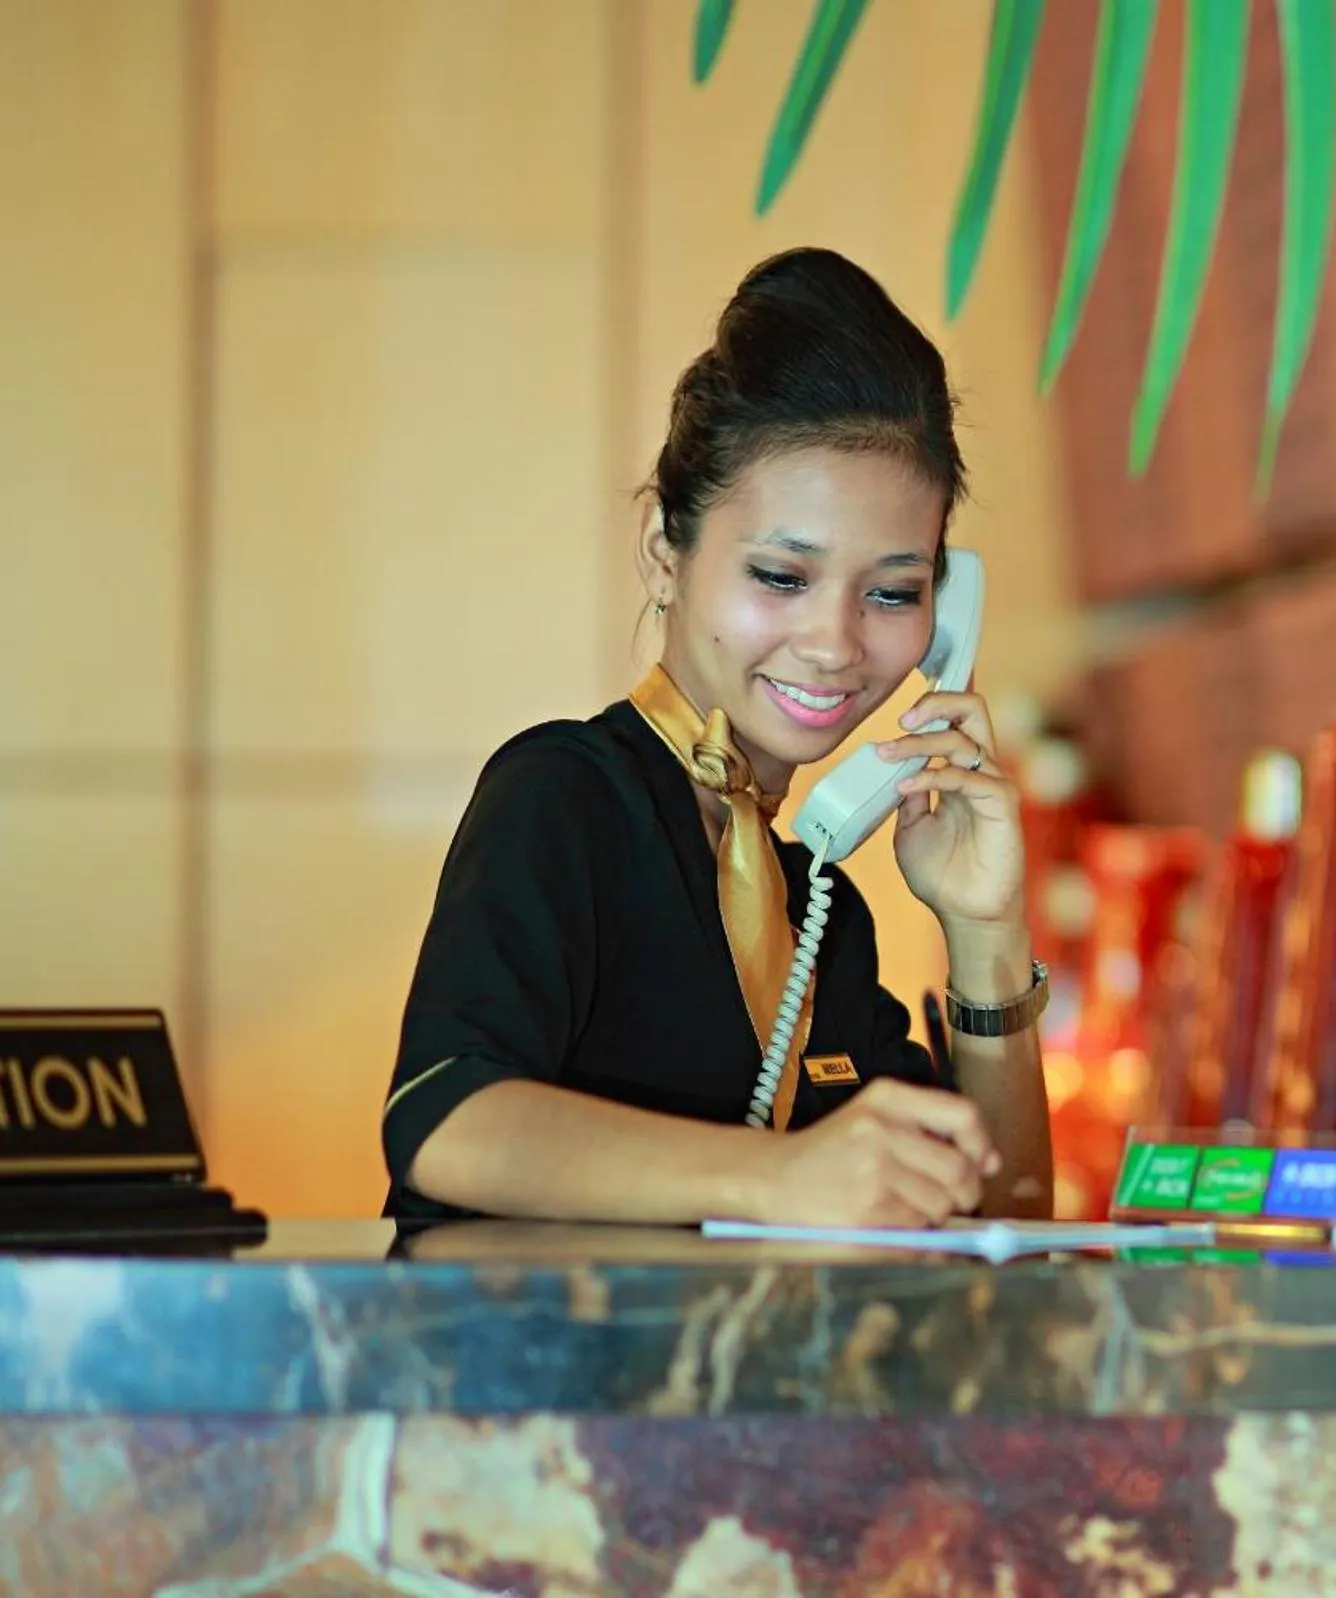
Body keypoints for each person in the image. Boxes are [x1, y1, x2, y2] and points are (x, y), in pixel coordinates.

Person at [378, 248, 1053, 1228]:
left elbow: (1008, 1223)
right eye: (783, 575)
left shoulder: (823, 913)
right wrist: (780, 1176)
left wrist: (987, 930)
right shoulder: (564, 796)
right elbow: (448, 1125)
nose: (835, 642)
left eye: (894, 591)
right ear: (667, 556)